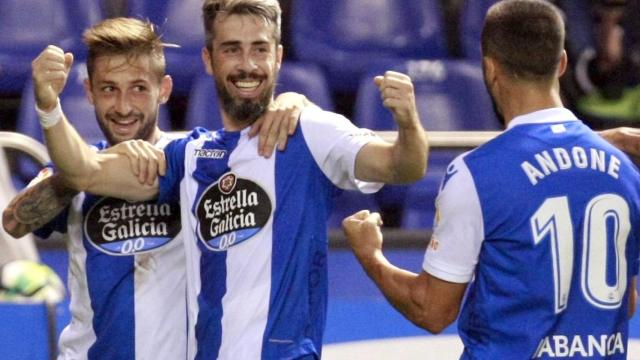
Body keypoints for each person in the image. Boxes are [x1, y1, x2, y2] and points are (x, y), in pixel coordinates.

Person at [28, 0, 428, 358]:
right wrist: (49, 108)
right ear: (208, 59)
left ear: (278, 57)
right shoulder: (189, 155)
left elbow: (403, 167)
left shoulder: (311, 130)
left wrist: (408, 121)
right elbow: (81, 171)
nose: (247, 64)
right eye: (231, 49)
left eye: (259, 49)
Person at [343, 0, 640, 358]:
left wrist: (371, 255)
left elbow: (431, 310)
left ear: (490, 69)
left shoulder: (477, 174)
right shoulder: (623, 169)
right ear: (561, 63)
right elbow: (626, 303)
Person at [2, 16, 310, 359]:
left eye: (138, 88)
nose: (122, 107)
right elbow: (14, 222)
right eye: (108, 89)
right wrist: (80, 163)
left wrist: (294, 100)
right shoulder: (75, 165)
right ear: (89, 92)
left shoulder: (196, 160)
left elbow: (257, 134)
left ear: (163, 90)